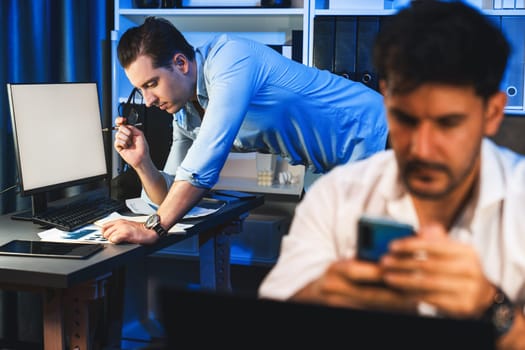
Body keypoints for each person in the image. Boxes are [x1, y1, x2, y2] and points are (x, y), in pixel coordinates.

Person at [258, 1, 525, 348]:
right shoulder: (338, 195)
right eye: (406, 120)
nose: (423, 149)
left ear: (492, 113)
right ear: (385, 97)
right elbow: (267, 330)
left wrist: (493, 311)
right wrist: (320, 295)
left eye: (448, 124)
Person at [101, 16, 387, 244]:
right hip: (335, 169)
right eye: (140, 89)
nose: (148, 101)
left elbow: (202, 166)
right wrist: (142, 163)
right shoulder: (186, 115)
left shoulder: (230, 58)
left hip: (380, 137)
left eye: (151, 84)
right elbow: (169, 198)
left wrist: (152, 230)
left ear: (180, 63)